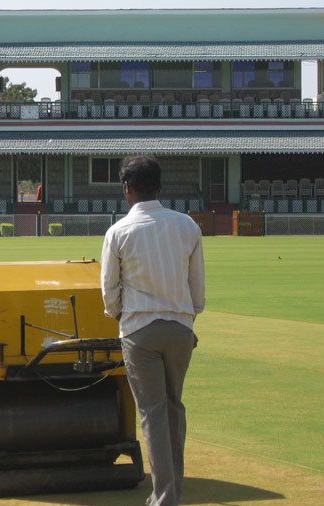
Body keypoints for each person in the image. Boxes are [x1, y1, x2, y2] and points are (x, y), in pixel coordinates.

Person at [100, 155, 205, 506]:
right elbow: (198, 291)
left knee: (154, 413)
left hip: (139, 329)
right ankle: (172, 490)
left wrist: (120, 316)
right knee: (174, 408)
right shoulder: (187, 225)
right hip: (179, 327)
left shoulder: (118, 231)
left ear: (126, 189)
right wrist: (187, 318)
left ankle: (165, 497)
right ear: (159, 187)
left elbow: (108, 290)